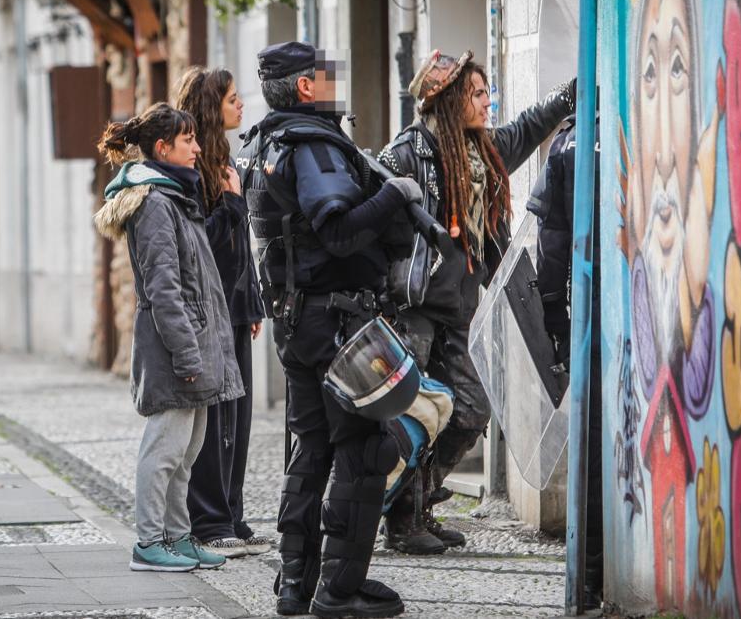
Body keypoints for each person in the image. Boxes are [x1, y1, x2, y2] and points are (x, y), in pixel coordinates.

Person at [236, 41, 424, 618]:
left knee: (311, 448)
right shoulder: (312, 144)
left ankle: (295, 584)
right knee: (365, 450)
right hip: (339, 320)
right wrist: (396, 193)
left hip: (300, 322)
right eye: (325, 75)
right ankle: (339, 590)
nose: (334, 82)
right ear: (306, 87)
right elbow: (339, 232)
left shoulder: (267, 141)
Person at [377, 50, 575, 555]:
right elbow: (376, 226)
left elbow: (531, 126)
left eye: (487, 92)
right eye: (477, 94)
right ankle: (400, 517)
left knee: (470, 409)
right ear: (445, 101)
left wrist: (571, 94)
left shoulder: (485, 151)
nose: (487, 102)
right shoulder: (406, 154)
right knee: (413, 413)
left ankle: (418, 502)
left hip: (462, 306)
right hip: (415, 306)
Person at [94, 103, 245, 573]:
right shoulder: (156, 204)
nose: (198, 148)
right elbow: (164, 289)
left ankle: (179, 536)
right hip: (175, 349)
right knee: (163, 449)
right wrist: (186, 353)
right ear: (163, 148)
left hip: (195, 344)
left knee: (186, 453)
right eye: (189, 141)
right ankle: (148, 543)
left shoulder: (175, 196)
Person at [172, 67, 270, 559]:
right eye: (233, 99)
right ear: (214, 108)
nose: (241, 106)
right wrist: (230, 202)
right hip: (207, 314)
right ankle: (209, 521)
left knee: (239, 415)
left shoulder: (223, 160)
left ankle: (230, 512)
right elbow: (201, 249)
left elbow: (239, 246)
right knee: (213, 421)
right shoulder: (192, 174)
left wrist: (251, 300)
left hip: (232, 308)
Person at [528, 114, 604, 609]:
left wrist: (554, 318)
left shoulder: (568, 142)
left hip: (591, 312)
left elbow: (552, 240)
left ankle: (592, 572)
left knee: (593, 437)